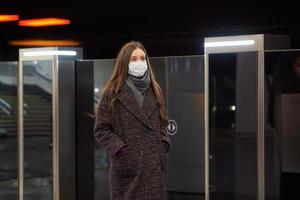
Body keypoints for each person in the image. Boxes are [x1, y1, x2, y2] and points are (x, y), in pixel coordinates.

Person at [94, 41, 171, 200]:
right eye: (133, 59)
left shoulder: (154, 89)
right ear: (125, 63)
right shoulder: (112, 92)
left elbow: (163, 123)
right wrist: (122, 151)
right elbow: (101, 129)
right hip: (128, 171)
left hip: (153, 168)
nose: (139, 63)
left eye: (142, 58)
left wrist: (162, 146)